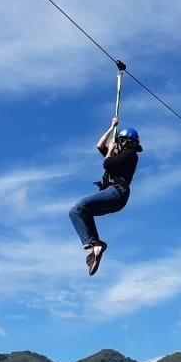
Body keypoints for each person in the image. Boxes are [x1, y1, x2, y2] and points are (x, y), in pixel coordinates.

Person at [69, 116, 142, 275]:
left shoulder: (130, 155)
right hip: (113, 195)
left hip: (117, 192)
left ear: (126, 143)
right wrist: (111, 127)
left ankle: (93, 245)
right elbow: (99, 145)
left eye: (121, 142)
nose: (119, 145)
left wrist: (110, 150)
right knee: (77, 212)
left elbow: (107, 163)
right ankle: (93, 247)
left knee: (80, 206)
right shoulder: (118, 155)